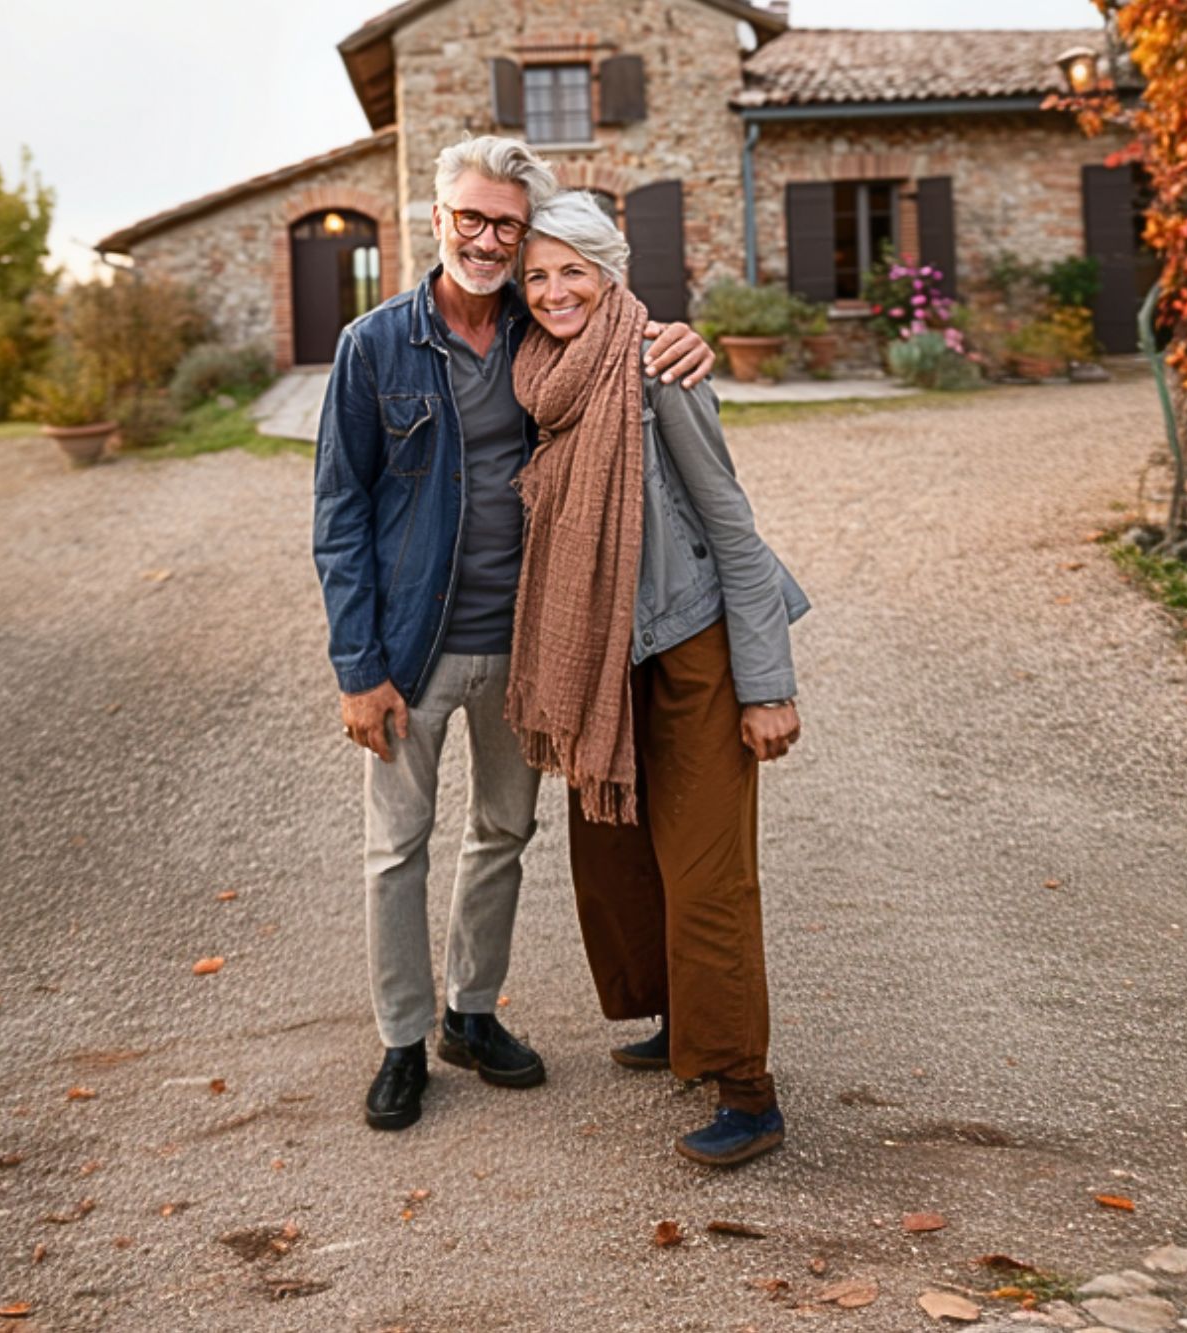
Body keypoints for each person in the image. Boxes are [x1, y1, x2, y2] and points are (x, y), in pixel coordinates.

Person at [312, 138, 714, 1133]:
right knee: (395, 847)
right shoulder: (373, 346)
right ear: (435, 220)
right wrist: (358, 666)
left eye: (505, 224)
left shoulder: (546, 335)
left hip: (527, 639)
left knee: (503, 832)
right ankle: (401, 1039)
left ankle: (469, 1012)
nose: (488, 241)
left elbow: (625, 341)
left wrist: (686, 342)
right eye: (470, 220)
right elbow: (339, 515)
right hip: (412, 650)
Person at [506, 190, 808, 1167]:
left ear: (610, 275)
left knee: (706, 868)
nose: (554, 292)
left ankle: (745, 1091)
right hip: (606, 647)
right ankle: (677, 1021)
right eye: (537, 275)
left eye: (572, 273)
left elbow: (731, 525)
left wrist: (766, 685)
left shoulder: (655, 367)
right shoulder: (538, 374)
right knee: (615, 850)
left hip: (693, 642)